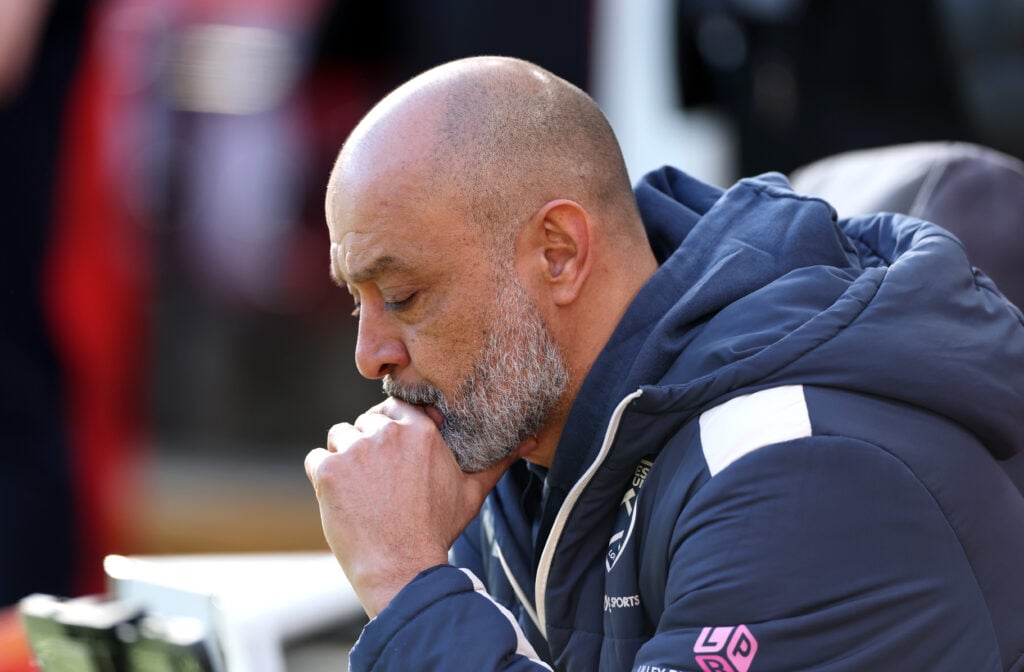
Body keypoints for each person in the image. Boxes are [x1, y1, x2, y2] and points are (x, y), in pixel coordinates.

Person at [304, 56, 1024, 671]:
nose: (370, 355)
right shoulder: (509, 444)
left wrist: (408, 585)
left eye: (403, 295)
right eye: (357, 301)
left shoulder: (803, 473)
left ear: (558, 253)